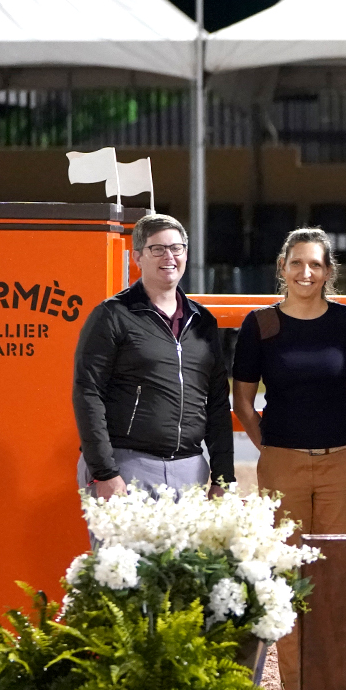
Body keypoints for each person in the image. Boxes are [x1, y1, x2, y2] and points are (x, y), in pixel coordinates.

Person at [233, 227, 346, 690]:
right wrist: (267, 443)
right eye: (297, 264)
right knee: (287, 577)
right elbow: (243, 400)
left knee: (335, 576)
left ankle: (335, 685)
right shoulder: (261, 325)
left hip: (342, 461)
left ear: (328, 271)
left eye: (315, 264)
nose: (306, 273)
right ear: (282, 267)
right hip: (282, 463)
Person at [73, 213, 234, 498]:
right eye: (156, 249)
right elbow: (88, 393)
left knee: (190, 547)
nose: (168, 256)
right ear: (137, 257)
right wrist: (105, 472)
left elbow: (217, 403)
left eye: (176, 248)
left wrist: (223, 478)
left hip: (190, 470)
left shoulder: (202, 321)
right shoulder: (112, 315)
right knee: (122, 546)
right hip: (125, 466)